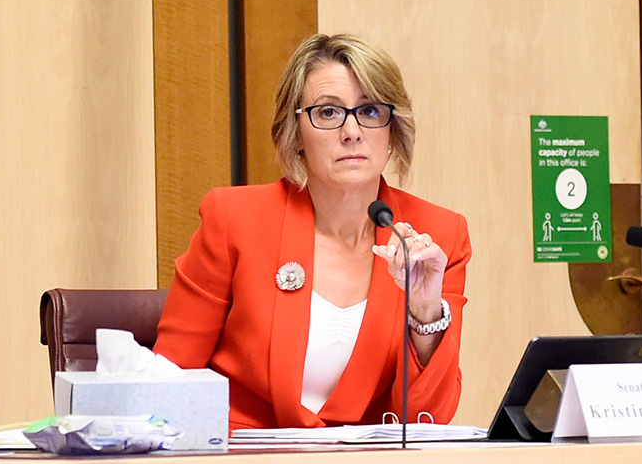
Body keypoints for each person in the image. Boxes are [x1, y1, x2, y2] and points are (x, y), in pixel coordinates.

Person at [154, 33, 471, 429]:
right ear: (296, 132)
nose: (352, 131)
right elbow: (167, 384)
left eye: (370, 111)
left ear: (393, 132)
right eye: (328, 113)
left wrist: (423, 313)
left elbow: (428, 419)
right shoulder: (234, 219)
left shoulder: (436, 235)